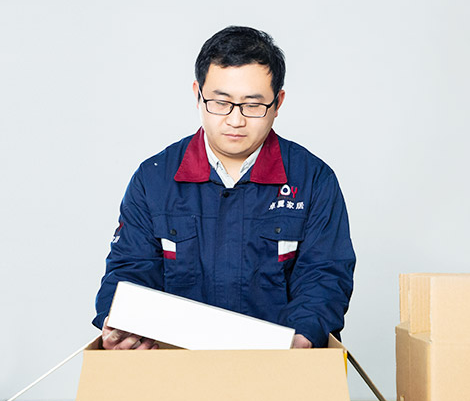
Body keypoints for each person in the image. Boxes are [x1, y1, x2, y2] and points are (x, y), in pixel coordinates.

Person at [93, 26, 356, 350]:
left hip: (280, 371)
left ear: (278, 102)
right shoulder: (155, 180)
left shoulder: (312, 180)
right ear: (197, 94)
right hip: (174, 370)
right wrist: (120, 322)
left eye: (253, 105)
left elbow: (325, 276)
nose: (235, 120)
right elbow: (129, 270)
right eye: (220, 102)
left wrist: (302, 338)